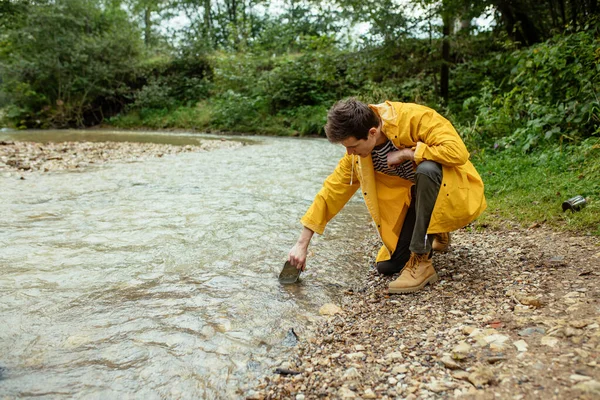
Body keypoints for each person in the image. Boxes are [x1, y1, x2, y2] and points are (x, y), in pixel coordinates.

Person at [287, 98, 487, 294]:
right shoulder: (357, 157)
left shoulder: (414, 118)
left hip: (451, 191)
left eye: (352, 146)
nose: (349, 153)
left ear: (372, 133)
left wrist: (407, 154)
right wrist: (302, 243)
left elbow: (457, 152)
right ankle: (435, 230)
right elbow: (331, 192)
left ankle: (422, 260)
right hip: (416, 201)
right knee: (388, 266)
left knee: (428, 169)